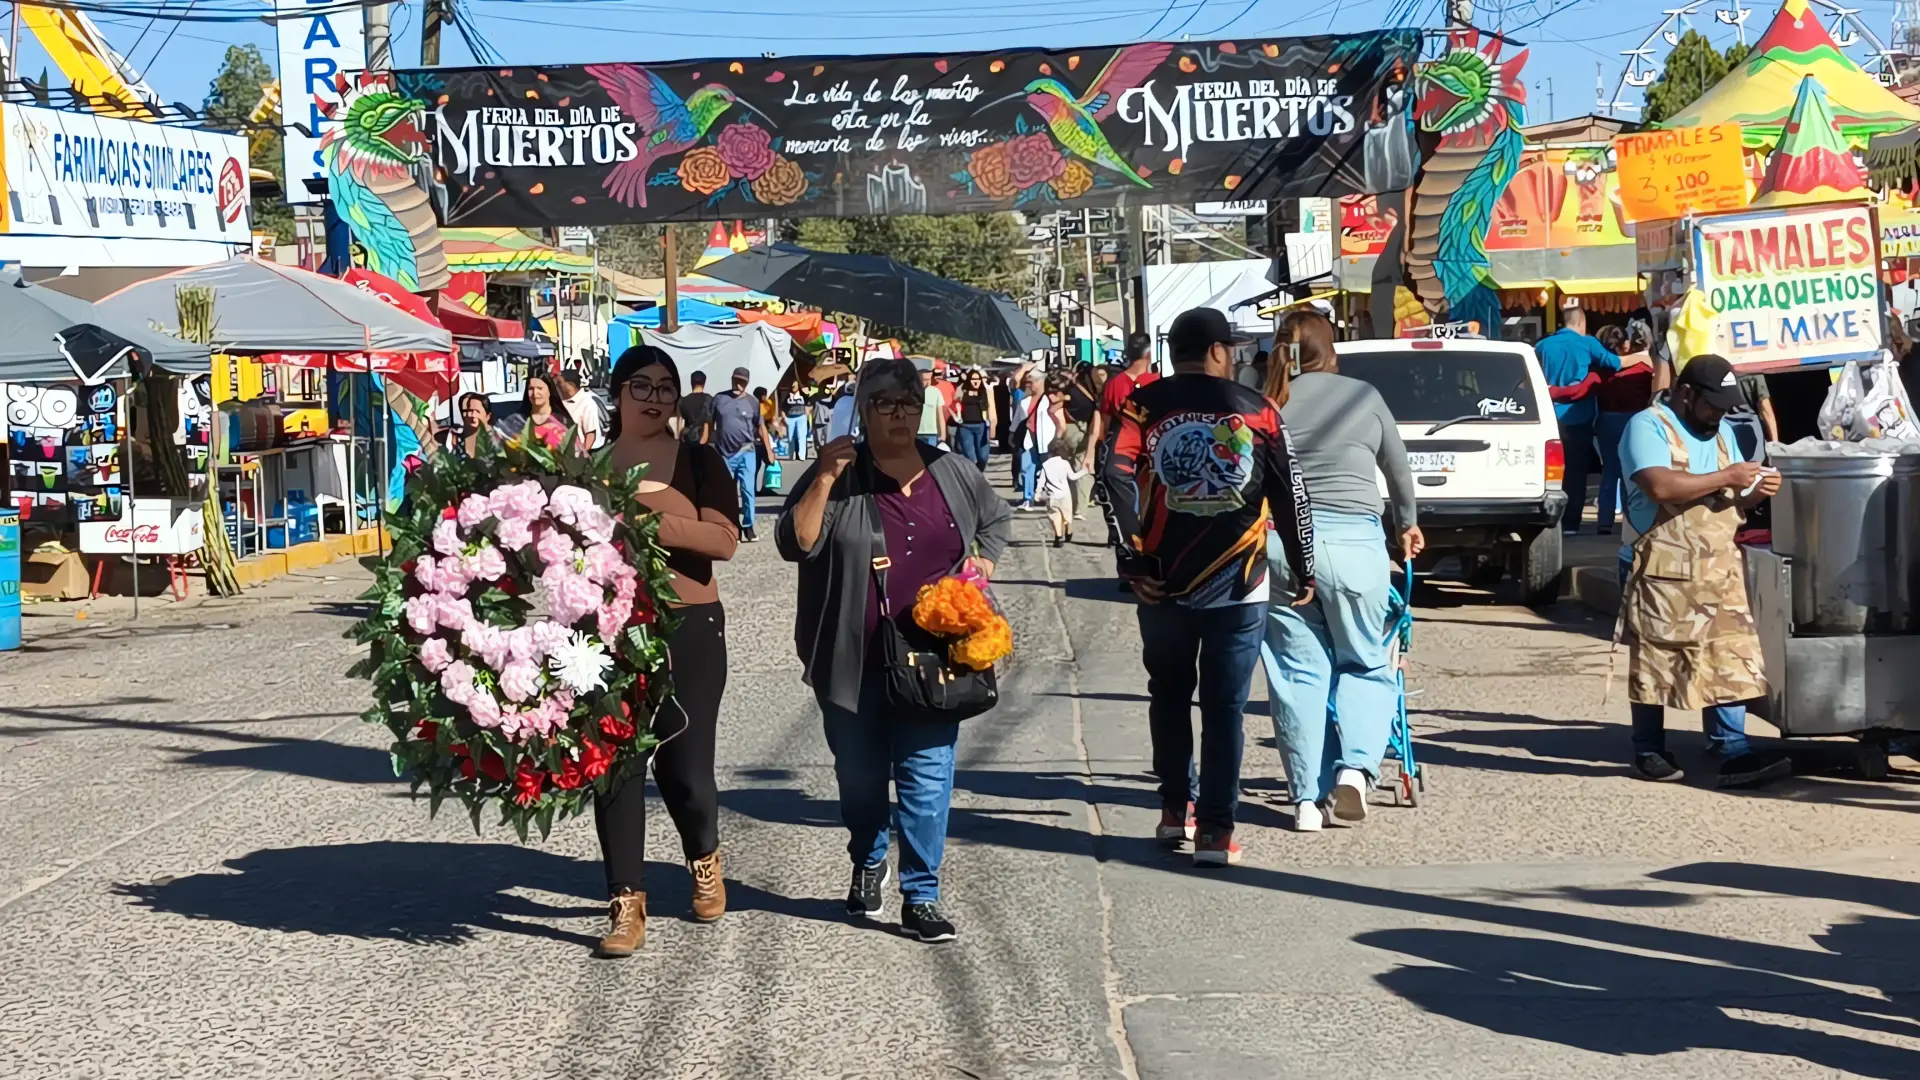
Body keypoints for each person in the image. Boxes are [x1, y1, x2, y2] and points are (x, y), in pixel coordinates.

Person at [776, 356, 1012, 944]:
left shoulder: (952, 471)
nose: (900, 412)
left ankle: (922, 893)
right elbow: (796, 544)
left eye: (910, 400)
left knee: (928, 779)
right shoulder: (838, 473)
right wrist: (825, 479)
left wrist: (981, 562)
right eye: (885, 402)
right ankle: (868, 856)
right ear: (863, 408)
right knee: (858, 779)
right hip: (852, 659)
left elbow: (995, 520)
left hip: (936, 659)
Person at [1106, 307, 1315, 867]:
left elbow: (1115, 472)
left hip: (1161, 581)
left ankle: (1176, 811)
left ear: (1174, 351)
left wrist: (1132, 559)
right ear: (1221, 351)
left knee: (1169, 696)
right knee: (1224, 708)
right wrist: (1305, 566)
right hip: (1239, 582)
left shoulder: (1142, 405)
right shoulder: (1260, 410)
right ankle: (1217, 833)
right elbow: (1292, 495)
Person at [593, 345, 742, 957]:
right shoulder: (585, 464)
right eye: (642, 386)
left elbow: (723, 541)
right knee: (614, 763)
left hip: (690, 625)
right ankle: (626, 903)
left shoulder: (700, 461)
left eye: (665, 387)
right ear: (619, 391)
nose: (654, 397)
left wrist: (642, 520)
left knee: (683, 770)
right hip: (606, 630)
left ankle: (702, 854)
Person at [1258, 309, 1422, 832]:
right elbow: (1398, 469)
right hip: (1355, 544)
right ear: (1334, 350)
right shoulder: (1362, 396)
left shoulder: (1268, 403)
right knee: (1368, 661)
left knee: (1297, 674)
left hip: (1283, 545)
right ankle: (1354, 772)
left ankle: (1306, 800)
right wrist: (1407, 526)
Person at [1618, 354, 1789, 790]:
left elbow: (1732, 497)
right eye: (1713, 405)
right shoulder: (1647, 426)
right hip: (1660, 566)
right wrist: (1728, 474)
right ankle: (1648, 749)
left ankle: (1731, 749)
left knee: (1727, 657)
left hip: (1716, 565)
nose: (1720, 415)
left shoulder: (1724, 433)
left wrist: (1755, 491)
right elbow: (1659, 485)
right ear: (1685, 393)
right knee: (1657, 658)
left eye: (1727, 407)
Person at [1536, 303, 1620, 533]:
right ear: (1581, 323)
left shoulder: (1543, 345)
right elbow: (1615, 363)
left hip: (1549, 418)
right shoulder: (1588, 343)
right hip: (1579, 418)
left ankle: (1549, 520)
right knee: (1575, 472)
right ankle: (1571, 523)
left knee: (1549, 472)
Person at [1086, 332, 1160, 551]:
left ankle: (1131, 559)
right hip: (1153, 454)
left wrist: (1096, 451)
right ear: (1148, 354)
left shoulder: (1114, 384)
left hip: (1121, 455)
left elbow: (1104, 424)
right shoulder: (1159, 382)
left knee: (1124, 511)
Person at [1594, 321, 1657, 535]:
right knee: (1632, 472)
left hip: (1606, 420)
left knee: (1610, 472)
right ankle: (1631, 519)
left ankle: (1604, 521)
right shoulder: (1646, 367)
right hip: (1633, 419)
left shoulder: (1604, 368)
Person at [705, 367, 776, 542]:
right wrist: (703, 446)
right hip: (724, 453)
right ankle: (731, 526)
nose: (739, 384)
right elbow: (708, 423)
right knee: (726, 492)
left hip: (746, 451)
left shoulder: (752, 402)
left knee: (748, 490)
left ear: (747, 383)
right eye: (736, 380)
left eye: (742, 381)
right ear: (731, 379)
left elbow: (761, 428)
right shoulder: (720, 399)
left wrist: (769, 450)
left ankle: (749, 526)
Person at [1013, 369, 1058, 511]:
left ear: (1039, 382)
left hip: (1047, 439)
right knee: (1027, 467)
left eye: (1030, 382)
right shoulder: (1024, 401)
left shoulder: (1051, 400)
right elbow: (1017, 419)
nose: (1027, 385)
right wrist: (1012, 433)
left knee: (1048, 469)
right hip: (1029, 438)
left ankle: (1052, 498)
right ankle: (1028, 498)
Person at [1057, 364, 1098, 518]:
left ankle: (1065, 504)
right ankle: (1080, 508)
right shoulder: (1093, 392)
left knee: (1063, 468)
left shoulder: (1070, 389)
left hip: (1069, 428)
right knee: (1082, 469)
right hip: (1087, 429)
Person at [501, 372, 574, 450]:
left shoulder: (564, 422)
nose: (535, 393)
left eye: (540, 388)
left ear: (550, 391)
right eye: (531, 389)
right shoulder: (515, 421)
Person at [1038, 436, 1085, 547]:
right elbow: (1072, 477)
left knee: (1055, 516)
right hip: (1065, 495)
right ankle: (1068, 532)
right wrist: (1084, 471)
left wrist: (1037, 492)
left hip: (1052, 496)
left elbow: (1041, 481)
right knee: (1067, 516)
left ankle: (1058, 537)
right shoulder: (1065, 463)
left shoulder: (1046, 465)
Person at [952, 367, 996, 470]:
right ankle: (974, 478)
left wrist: (993, 427)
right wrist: (962, 382)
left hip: (982, 426)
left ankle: (978, 473)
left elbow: (992, 410)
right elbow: (954, 400)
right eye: (973, 379)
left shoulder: (986, 391)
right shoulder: (963, 391)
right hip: (965, 427)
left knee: (983, 457)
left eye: (978, 379)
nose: (975, 382)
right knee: (970, 457)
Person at [556, 368, 605, 451]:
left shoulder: (587, 402)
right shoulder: (562, 399)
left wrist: (583, 456)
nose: (557, 385)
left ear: (571, 384)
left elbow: (590, 435)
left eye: (559, 382)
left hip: (587, 450)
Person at [448, 393, 498, 460]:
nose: (471, 415)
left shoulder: (497, 440)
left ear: (488, 416)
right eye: (466, 411)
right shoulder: (453, 441)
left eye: (477, 411)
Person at [678, 370, 714, 444]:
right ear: (704, 383)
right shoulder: (709, 400)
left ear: (691, 383)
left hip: (687, 441)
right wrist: (703, 440)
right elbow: (708, 422)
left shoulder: (683, 401)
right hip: (705, 443)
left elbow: (679, 423)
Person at [915, 366, 945, 446]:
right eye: (924, 380)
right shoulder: (911, 392)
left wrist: (943, 434)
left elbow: (940, 415)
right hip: (915, 433)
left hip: (931, 433)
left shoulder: (936, 392)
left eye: (929, 379)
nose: (927, 382)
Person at [781, 382, 811, 459]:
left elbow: (809, 404)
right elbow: (782, 408)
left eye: (794, 386)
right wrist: (785, 418)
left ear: (798, 386)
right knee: (791, 438)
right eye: (792, 386)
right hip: (790, 418)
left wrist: (806, 415)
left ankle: (802, 456)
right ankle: (792, 455)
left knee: (801, 437)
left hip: (801, 417)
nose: (793, 387)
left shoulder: (803, 395)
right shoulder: (787, 396)